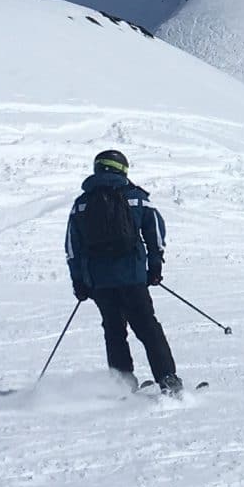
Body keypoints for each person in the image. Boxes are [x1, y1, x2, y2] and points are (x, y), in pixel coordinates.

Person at [65, 148, 179, 394]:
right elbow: (155, 232)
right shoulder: (136, 197)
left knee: (114, 330)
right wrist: (155, 266)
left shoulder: (81, 204)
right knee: (148, 327)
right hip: (132, 278)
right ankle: (167, 378)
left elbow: (72, 247)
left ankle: (122, 385)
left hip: (99, 283)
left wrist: (79, 282)